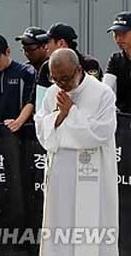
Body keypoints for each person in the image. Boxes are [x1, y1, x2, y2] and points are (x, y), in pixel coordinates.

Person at [34, 48, 118, 256]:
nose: (60, 84)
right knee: (59, 227)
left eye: (65, 78)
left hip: (93, 177)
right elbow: (42, 128)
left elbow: (99, 133)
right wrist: (60, 117)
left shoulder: (102, 93)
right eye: (55, 79)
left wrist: (70, 113)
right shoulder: (52, 92)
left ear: (79, 70)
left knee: (92, 231)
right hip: (61, 176)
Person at [0, 34, 35, 132]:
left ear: (8, 51)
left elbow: (30, 102)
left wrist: (18, 122)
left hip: (22, 132)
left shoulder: (25, 72)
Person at [36, 23, 103, 88]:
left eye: (48, 42)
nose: (45, 47)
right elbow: (41, 97)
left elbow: (94, 93)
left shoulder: (89, 64)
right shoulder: (46, 67)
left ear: (61, 43)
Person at [103, 12, 131, 113]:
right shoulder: (116, 59)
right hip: (124, 117)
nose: (119, 39)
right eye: (115, 34)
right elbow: (106, 88)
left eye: (123, 34)